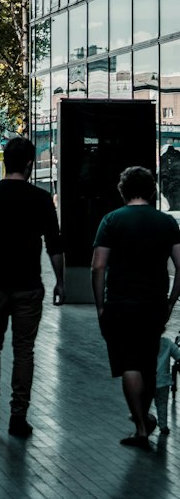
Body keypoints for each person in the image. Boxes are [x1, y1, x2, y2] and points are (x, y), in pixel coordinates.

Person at [0, 135, 64, 438]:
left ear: (4, 162)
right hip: (28, 285)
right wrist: (61, 281)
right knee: (24, 350)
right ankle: (18, 415)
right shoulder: (41, 199)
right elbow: (54, 245)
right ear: (30, 165)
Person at [91, 164, 180, 448]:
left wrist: (100, 306)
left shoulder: (111, 220)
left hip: (119, 304)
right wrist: (170, 302)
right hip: (153, 304)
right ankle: (146, 420)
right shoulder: (167, 223)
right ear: (152, 190)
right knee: (148, 364)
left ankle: (141, 427)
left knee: (128, 364)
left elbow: (98, 266)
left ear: (123, 191)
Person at [155, 333, 180, 435]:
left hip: (146, 381)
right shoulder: (167, 343)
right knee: (162, 403)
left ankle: (143, 423)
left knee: (144, 403)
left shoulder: (142, 343)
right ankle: (163, 425)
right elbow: (178, 356)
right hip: (163, 381)